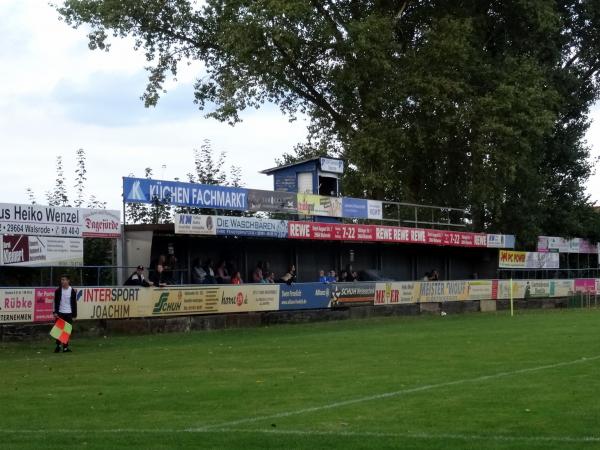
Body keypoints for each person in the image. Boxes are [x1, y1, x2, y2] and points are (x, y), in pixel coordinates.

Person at [53, 274, 77, 353]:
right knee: (58, 331)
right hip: (60, 312)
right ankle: (58, 346)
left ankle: (65, 348)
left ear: (68, 281)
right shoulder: (58, 291)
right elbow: (55, 302)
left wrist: (74, 315)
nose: (62, 281)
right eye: (61, 280)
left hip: (69, 313)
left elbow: (74, 303)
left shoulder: (72, 290)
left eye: (64, 280)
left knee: (67, 331)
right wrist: (55, 312)